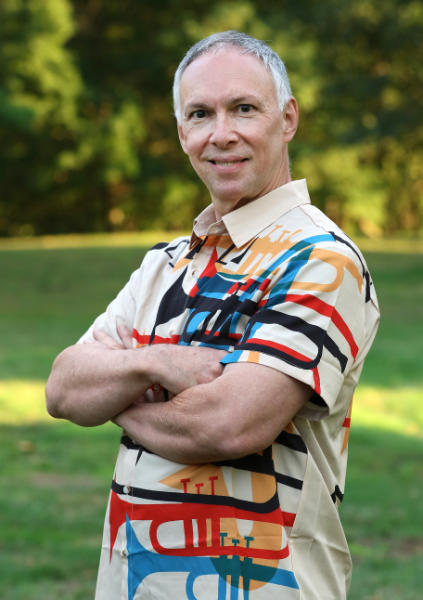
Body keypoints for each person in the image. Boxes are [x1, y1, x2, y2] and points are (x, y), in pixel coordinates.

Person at [46, 30, 380, 600]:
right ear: (182, 134)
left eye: (244, 109)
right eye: (200, 114)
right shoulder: (166, 263)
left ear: (288, 119)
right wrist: (159, 364)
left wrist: (117, 394)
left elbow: (228, 424)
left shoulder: (322, 261)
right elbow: (62, 389)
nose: (221, 134)